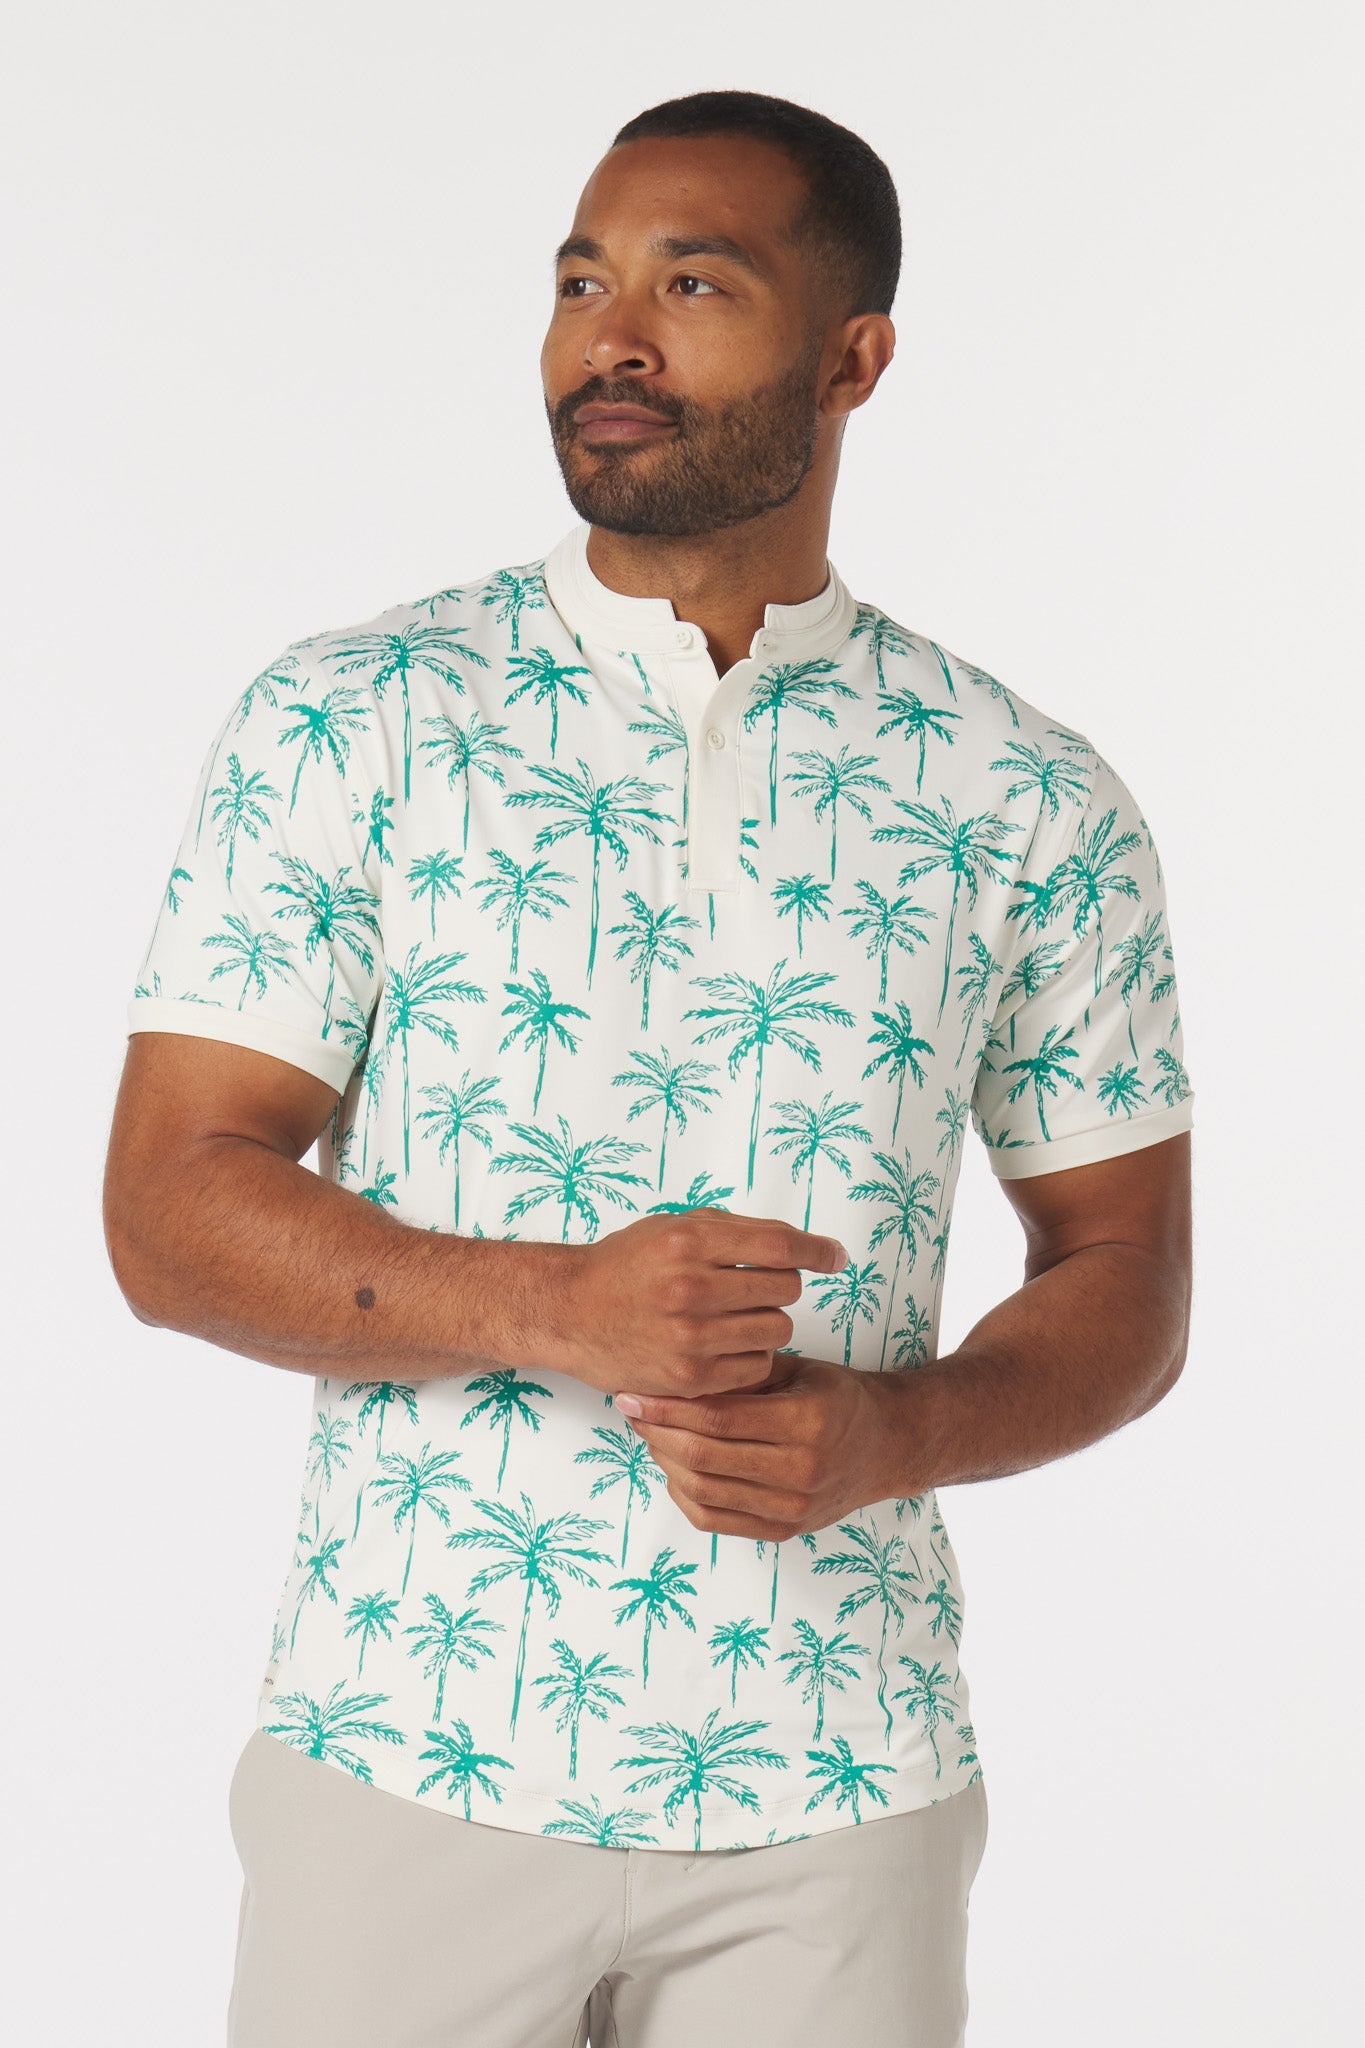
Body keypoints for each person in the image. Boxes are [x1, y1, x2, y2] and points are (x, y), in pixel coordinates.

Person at [103, 88, 1195, 2048]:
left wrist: (897, 1434)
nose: (609, 338)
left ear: (851, 358)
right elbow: (170, 1211)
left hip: (838, 1783)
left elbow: (1126, 1275)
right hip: (405, 1747)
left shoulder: (1023, 794)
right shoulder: (353, 719)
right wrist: (557, 1305)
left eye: (691, 285)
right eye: (579, 282)